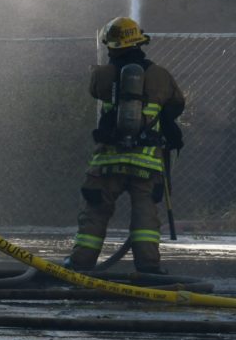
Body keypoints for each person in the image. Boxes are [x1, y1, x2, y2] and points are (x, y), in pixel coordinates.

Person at [65, 16, 185, 275]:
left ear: (112, 46)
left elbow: (95, 90)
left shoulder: (103, 75)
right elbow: (177, 104)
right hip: (146, 162)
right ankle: (148, 268)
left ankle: (80, 265)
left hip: (109, 160)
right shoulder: (161, 76)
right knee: (145, 216)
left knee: (95, 212)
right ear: (140, 42)